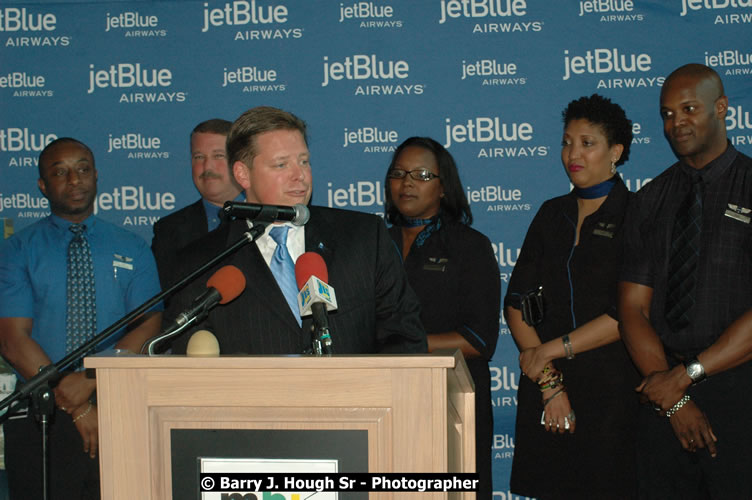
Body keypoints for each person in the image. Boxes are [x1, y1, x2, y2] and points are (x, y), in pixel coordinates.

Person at [166, 106, 426, 355]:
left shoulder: (364, 237)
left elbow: (405, 337)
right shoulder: (201, 263)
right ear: (243, 174)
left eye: (304, 161)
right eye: (281, 165)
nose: (299, 175)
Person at [0, 138, 162, 500]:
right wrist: (77, 405)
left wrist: (91, 380)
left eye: (83, 169)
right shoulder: (17, 250)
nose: (74, 180)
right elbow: (12, 339)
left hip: (119, 407)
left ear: (96, 176)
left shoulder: (132, 245)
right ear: (43, 186)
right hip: (41, 414)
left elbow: (149, 324)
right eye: (60, 172)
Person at [619, 63, 752, 498]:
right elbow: (633, 309)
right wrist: (674, 395)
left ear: (721, 108)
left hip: (739, 390)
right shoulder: (649, 200)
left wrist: (688, 377)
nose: (676, 123)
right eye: (666, 114)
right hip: (660, 392)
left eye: (689, 109)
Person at [505, 94, 639, 499]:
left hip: (611, 391)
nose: (572, 153)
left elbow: (626, 314)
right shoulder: (551, 213)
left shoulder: (637, 214)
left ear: (615, 151)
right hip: (546, 385)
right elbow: (516, 302)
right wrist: (549, 383)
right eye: (566, 142)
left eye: (587, 142)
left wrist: (550, 352)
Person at [384, 137, 500, 499]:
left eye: (421, 174)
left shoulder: (469, 246)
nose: (407, 183)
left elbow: (480, 340)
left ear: (444, 187)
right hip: (385, 404)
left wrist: (409, 346)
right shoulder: (372, 245)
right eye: (398, 173)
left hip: (451, 404)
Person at [151, 118, 243, 288]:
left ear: (239, 162)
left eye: (218, 156)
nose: (207, 166)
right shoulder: (168, 230)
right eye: (199, 157)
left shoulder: (269, 219)